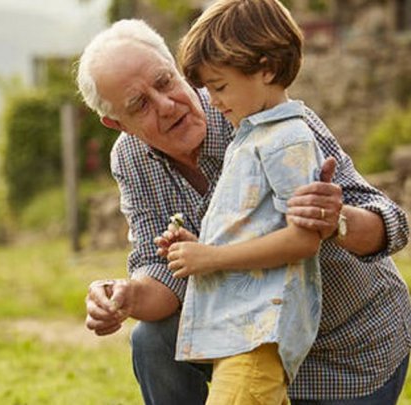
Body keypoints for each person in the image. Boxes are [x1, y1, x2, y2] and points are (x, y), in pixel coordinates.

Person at [77, 17, 411, 405]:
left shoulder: (263, 109)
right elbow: (162, 268)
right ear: (117, 124)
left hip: (346, 347)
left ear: (175, 65)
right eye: (140, 104)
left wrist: (336, 218)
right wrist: (127, 296)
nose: (166, 106)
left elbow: (391, 224)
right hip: (245, 341)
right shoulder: (132, 158)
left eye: (165, 81)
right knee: (152, 339)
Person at [157, 1, 326, 402]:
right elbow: (253, 226)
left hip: (257, 335)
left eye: (220, 86)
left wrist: (210, 259)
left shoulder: (289, 139)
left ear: (266, 69)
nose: (213, 101)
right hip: (239, 335)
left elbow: (304, 240)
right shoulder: (251, 136)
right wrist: (196, 248)